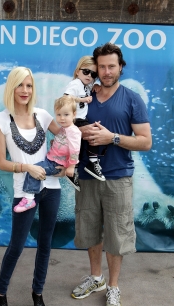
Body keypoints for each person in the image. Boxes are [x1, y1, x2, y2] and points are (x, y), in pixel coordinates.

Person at [71, 43, 152, 306]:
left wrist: (112, 137)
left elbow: (145, 142)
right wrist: (77, 131)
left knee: (117, 235)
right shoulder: (85, 97)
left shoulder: (131, 99)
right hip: (86, 174)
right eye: (102, 67)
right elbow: (63, 126)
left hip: (118, 177)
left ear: (120, 67)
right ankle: (96, 278)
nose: (106, 71)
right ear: (95, 69)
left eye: (111, 66)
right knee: (90, 230)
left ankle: (114, 286)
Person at [0, 66, 64, 306]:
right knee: (16, 246)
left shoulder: (43, 115)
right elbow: (2, 162)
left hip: (51, 188)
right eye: (20, 85)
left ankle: (38, 293)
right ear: (11, 88)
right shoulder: (0, 120)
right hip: (24, 193)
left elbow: (66, 137)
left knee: (45, 244)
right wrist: (27, 168)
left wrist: (67, 164)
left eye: (29, 85)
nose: (25, 90)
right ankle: (1, 294)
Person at [13, 95, 82, 213]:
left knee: (34, 170)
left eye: (66, 115)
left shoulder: (73, 131)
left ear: (74, 114)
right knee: (35, 169)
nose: (62, 118)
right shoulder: (65, 128)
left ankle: (29, 199)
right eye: (59, 115)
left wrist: (71, 166)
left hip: (55, 163)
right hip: (53, 159)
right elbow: (64, 143)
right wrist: (55, 142)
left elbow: (75, 150)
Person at [64, 56, 106, 192]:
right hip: (75, 119)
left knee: (79, 147)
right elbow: (66, 98)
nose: (89, 76)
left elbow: (90, 85)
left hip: (77, 118)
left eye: (93, 74)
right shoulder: (75, 84)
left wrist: (96, 85)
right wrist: (82, 99)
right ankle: (92, 162)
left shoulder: (85, 85)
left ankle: (73, 171)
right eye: (86, 72)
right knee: (94, 133)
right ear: (77, 71)